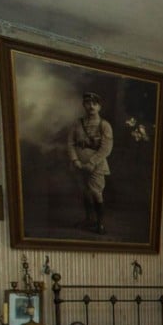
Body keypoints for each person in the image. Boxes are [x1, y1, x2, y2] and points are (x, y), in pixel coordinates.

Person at [67, 91, 114, 234]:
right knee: (85, 192)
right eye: (88, 103)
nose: (91, 106)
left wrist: (92, 162)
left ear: (99, 106)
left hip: (96, 165)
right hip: (79, 164)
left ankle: (100, 223)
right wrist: (75, 160)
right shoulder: (77, 123)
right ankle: (88, 219)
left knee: (96, 192)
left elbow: (106, 148)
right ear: (83, 105)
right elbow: (70, 143)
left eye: (95, 103)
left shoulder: (104, 125)